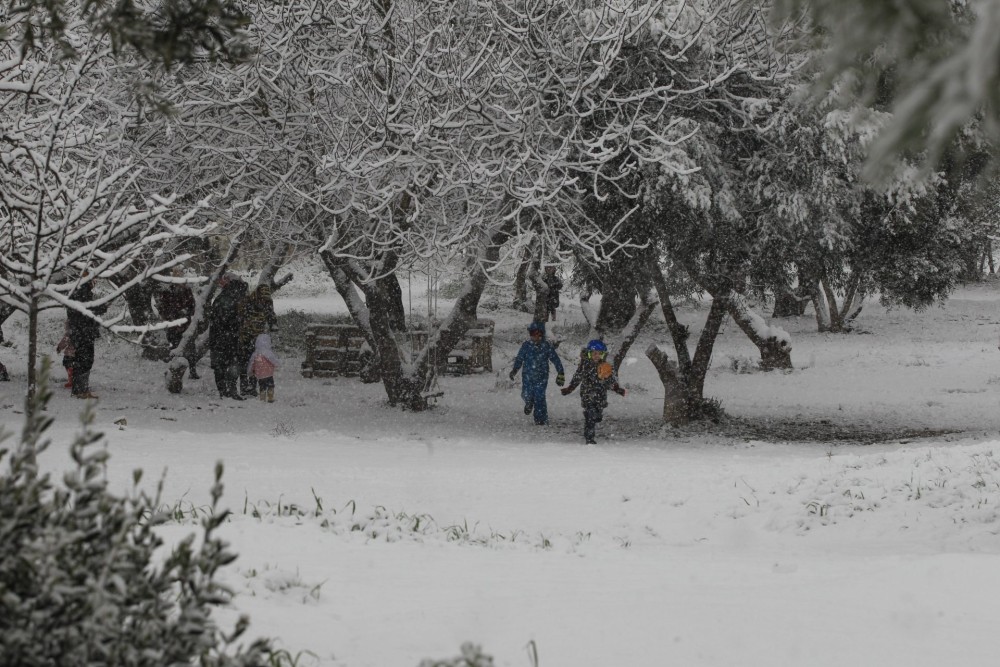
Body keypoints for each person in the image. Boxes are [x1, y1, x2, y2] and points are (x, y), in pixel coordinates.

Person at [561, 339, 626, 444]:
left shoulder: (605, 366)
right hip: (587, 394)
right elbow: (577, 377)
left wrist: (617, 389)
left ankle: (595, 416)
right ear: (589, 354)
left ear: (603, 355)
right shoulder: (585, 365)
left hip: (601, 395)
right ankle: (589, 438)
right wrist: (570, 388)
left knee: (598, 416)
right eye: (594, 354)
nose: (596, 356)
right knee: (590, 416)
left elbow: (611, 380)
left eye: (599, 354)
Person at [509, 321, 565, 426]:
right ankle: (529, 402)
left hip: (542, 376)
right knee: (526, 394)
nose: (535, 337)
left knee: (540, 397)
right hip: (527, 376)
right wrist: (515, 370)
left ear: (542, 335)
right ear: (530, 335)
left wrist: (560, 372)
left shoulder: (546, 346)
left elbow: (555, 359)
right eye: (533, 334)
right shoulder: (526, 346)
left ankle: (541, 419)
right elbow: (520, 358)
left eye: (538, 335)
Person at [209, 272, 248, 400]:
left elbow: (219, 319)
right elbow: (228, 318)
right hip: (230, 336)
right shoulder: (236, 297)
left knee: (221, 364)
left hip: (222, 336)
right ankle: (230, 390)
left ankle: (225, 391)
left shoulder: (223, 298)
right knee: (231, 363)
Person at [67, 277, 104, 399]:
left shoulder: (76, 292)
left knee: (81, 360)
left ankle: (80, 389)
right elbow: (87, 311)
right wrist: (102, 307)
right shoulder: (82, 293)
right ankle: (80, 390)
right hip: (84, 333)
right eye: (94, 281)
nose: (95, 283)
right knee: (85, 360)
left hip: (80, 332)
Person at [238, 282, 276, 397]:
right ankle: (244, 387)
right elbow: (240, 317)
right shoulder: (247, 302)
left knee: (256, 363)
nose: (263, 302)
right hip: (245, 336)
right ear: (257, 295)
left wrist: (273, 324)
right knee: (245, 362)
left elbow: (271, 315)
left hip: (258, 338)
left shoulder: (268, 301)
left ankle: (253, 387)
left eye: (265, 299)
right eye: (261, 299)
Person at [247, 332, 280, 403]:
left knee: (262, 386)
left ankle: (262, 397)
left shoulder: (255, 353)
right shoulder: (268, 352)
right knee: (271, 385)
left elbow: (251, 363)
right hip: (269, 373)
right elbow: (274, 360)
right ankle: (270, 397)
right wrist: (277, 364)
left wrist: (250, 371)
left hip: (260, 375)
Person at [56, 319, 75, 388]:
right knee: (75, 366)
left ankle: (71, 381)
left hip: (70, 353)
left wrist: (59, 347)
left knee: (68, 364)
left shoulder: (69, 333)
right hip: (80, 352)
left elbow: (65, 341)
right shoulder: (81, 331)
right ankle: (74, 379)